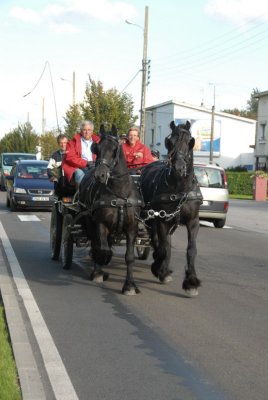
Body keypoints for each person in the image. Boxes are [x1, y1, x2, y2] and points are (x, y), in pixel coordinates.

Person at [61, 120, 99, 187]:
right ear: (81, 131)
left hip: (94, 166)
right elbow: (70, 157)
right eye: (84, 130)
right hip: (77, 167)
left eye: (89, 130)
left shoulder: (98, 142)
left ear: (92, 131)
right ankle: (79, 195)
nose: (87, 132)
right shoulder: (72, 143)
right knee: (79, 174)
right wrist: (86, 163)